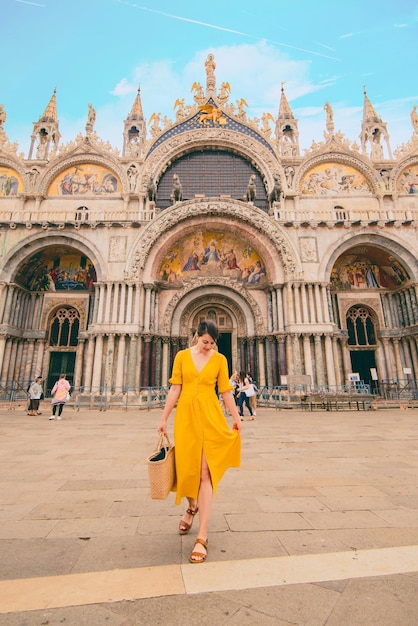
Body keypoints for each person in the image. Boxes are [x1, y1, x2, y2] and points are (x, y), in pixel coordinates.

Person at [157, 320, 241, 564]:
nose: (209, 347)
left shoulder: (220, 359)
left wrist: (237, 418)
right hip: (186, 417)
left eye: (213, 343)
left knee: (206, 473)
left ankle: (202, 535)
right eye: (205, 342)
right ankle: (191, 506)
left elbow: (225, 391)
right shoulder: (182, 356)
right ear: (196, 337)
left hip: (211, 416)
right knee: (186, 470)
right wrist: (163, 418)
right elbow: (175, 389)